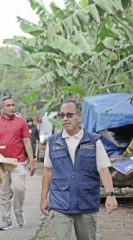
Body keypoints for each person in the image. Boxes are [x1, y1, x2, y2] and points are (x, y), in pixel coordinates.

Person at [40, 99, 117, 240]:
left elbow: (103, 169)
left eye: (69, 115)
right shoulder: (53, 142)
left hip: (86, 201)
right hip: (60, 201)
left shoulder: (94, 141)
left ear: (80, 116)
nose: (65, 119)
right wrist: (44, 198)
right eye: (61, 115)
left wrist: (110, 195)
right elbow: (47, 171)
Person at [0, 95, 36, 230]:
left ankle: (18, 212)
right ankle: (6, 219)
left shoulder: (21, 122)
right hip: (1, 163)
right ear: (1, 108)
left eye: (13, 105)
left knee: (18, 188)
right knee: (4, 192)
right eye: (8, 106)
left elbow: (27, 141)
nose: (11, 108)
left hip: (18, 161)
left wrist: (31, 161)